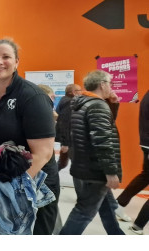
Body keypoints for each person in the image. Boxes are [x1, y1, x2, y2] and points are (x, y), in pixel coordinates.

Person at [0, 38, 56, 235]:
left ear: (17, 62)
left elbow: (44, 153)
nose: (0, 62)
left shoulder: (32, 96)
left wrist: (14, 190)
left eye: (6, 57)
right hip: (3, 182)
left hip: (32, 183)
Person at [60, 70, 124, 235]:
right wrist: (111, 172)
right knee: (83, 212)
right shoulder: (97, 105)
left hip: (86, 165)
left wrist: (113, 104)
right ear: (102, 84)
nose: (111, 87)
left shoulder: (83, 103)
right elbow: (102, 140)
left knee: (106, 207)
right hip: (97, 169)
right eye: (109, 83)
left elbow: (105, 126)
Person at [115, 90, 149, 226]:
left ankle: (119, 203)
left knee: (145, 176)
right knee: (145, 176)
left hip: (146, 142)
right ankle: (138, 225)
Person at [35, 83, 61, 234]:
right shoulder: (42, 117)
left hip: (45, 175)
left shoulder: (49, 116)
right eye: (51, 98)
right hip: (42, 176)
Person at [55, 84, 82, 170]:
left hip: (68, 139)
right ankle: (47, 180)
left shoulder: (64, 100)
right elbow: (65, 123)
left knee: (62, 163)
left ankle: (47, 180)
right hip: (69, 140)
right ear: (74, 92)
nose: (81, 92)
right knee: (76, 166)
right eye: (79, 90)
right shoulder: (69, 102)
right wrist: (65, 143)